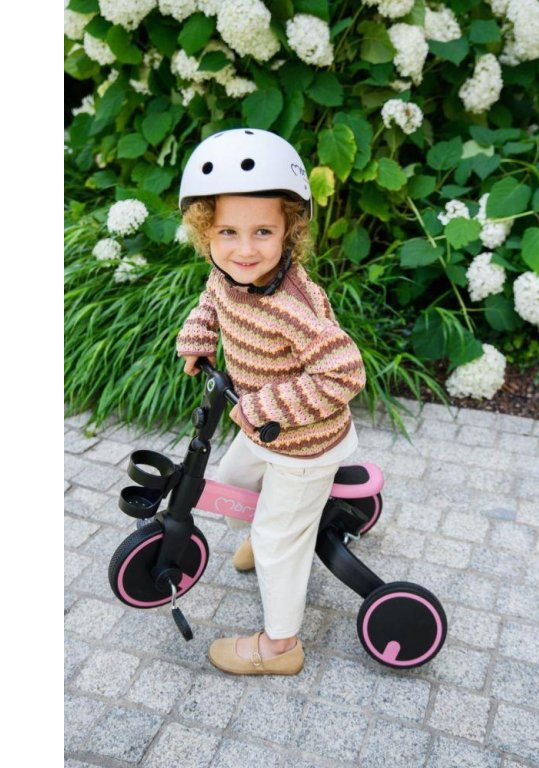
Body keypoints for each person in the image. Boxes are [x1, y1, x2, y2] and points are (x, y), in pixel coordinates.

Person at [174, 128, 366, 675]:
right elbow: (213, 298)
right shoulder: (231, 274)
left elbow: (345, 371)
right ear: (206, 232)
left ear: (290, 231)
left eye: (263, 231)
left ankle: (281, 647)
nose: (244, 249)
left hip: (303, 444)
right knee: (232, 481)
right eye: (227, 232)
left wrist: (265, 407)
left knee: (278, 538)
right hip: (264, 430)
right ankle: (272, 532)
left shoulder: (292, 307)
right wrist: (200, 335)